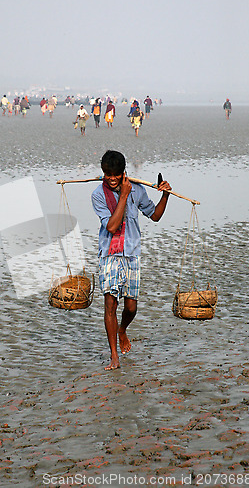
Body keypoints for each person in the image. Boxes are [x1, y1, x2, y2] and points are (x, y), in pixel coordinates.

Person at [91, 150, 171, 370]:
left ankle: (122, 330)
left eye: (116, 174)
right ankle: (114, 357)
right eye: (108, 174)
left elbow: (154, 215)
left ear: (123, 172)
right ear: (103, 173)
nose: (112, 178)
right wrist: (123, 196)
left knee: (131, 308)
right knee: (110, 305)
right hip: (109, 254)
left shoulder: (137, 190)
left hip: (131, 252)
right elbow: (111, 226)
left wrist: (165, 195)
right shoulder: (98, 194)